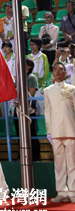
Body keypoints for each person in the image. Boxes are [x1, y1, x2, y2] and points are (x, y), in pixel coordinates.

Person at [44, 62, 75, 203]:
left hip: (70, 130)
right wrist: (49, 131)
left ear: (65, 72)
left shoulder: (72, 89)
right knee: (59, 163)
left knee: (72, 162)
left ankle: (73, 191)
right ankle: (61, 191)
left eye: (60, 69)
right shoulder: (48, 90)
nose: (57, 71)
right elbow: (47, 111)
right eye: (55, 69)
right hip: (56, 131)